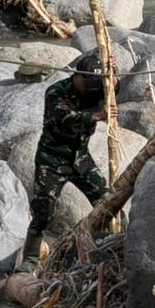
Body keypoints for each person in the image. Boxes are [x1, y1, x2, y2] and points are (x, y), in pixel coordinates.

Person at [15, 51, 117, 274]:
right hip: (51, 160)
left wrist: (113, 73)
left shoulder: (96, 86)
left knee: (108, 200)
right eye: (88, 82)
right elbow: (65, 119)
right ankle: (31, 258)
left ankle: (117, 240)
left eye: (96, 83)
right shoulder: (56, 92)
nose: (92, 88)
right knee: (44, 211)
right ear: (78, 77)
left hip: (80, 158)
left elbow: (114, 89)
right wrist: (98, 116)